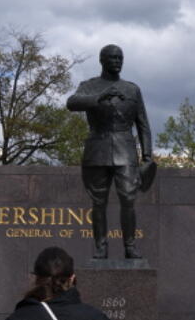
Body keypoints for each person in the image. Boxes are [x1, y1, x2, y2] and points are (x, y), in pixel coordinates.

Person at [65, 44, 153, 260]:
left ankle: (130, 246)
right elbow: (72, 103)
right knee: (98, 201)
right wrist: (99, 97)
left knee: (128, 199)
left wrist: (148, 157)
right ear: (102, 60)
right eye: (112, 58)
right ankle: (100, 246)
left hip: (125, 150)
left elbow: (143, 124)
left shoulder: (132, 89)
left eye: (120, 58)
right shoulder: (90, 85)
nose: (117, 61)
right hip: (97, 147)